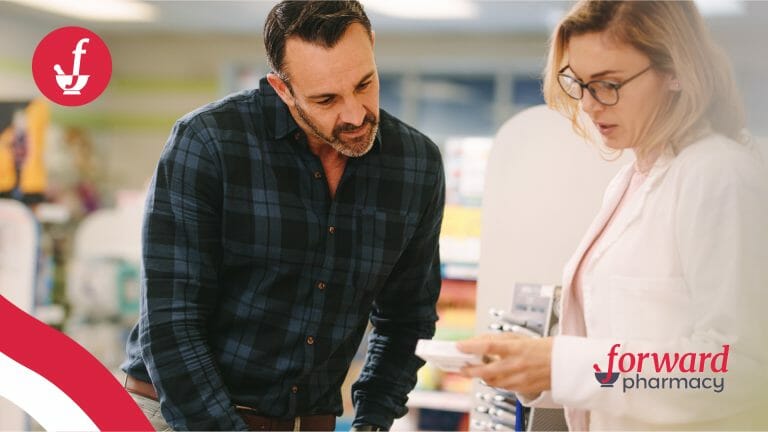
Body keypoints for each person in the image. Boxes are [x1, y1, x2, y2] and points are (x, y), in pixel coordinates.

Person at [121, 1, 445, 430]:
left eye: (365, 84)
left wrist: (372, 421)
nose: (354, 114)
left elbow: (406, 320)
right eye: (326, 99)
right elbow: (172, 324)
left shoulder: (415, 165)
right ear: (281, 88)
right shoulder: (208, 143)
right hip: (172, 414)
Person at [458, 1, 768, 429]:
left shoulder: (719, 176)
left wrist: (562, 365)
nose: (588, 104)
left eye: (608, 84)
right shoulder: (632, 179)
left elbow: (737, 370)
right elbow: (617, 354)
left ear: (676, 71)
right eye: (579, 83)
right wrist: (533, 371)